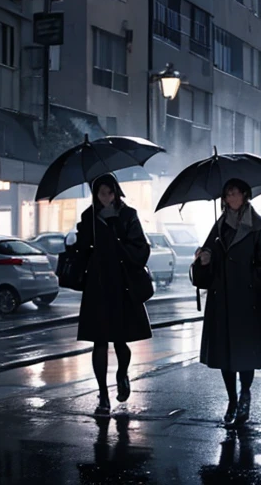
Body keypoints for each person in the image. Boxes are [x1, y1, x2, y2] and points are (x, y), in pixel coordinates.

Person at [192, 179, 261, 427]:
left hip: (246, 301)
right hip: (221, 301)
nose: (230, 197)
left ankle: (245, 394)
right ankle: (232, 399)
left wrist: (250, 281)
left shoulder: (259, 227)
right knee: (224, 353)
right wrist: (204, 259)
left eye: (235, 193)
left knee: (245, 353)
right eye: (227, 194)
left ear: (245, 195)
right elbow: (203, 270)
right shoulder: (218, 228)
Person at [75, 173, 152, 415]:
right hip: (97, 285)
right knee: (99, 341)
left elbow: (141, 247)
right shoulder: (89, 217)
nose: (106, 197)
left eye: (109, 192)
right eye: (101, 193)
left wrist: (116, 236)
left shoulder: (127, 215)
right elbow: (82, 249)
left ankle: (122, 374)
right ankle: (103, 396)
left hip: (122, 284)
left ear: (116, 192)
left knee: (120, 340)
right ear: (96, 195)